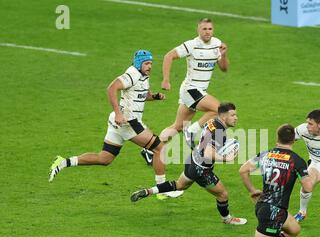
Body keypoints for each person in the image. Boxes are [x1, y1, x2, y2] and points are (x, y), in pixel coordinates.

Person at [48, 49, 183, 198]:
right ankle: (162, 190)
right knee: (159, 148)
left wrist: (155, 96)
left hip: (119, 121)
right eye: (146, 63)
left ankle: (63, 162)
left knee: (105, 158)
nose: (150, 66)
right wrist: (119, 113)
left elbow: (142, 95)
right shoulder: (132, 74)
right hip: (127, 121)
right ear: (139, 63)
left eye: (151, 63)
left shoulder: (143, 76)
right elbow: (112, 88)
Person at [207, 124, 312, 237]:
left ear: (277, 138)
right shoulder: (297, 161)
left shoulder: (266, 154)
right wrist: (308, 171)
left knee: (294, 229)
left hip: (264, 205)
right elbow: (308, 187)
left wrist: (252, 191)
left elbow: (243, 170)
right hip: (274, 213)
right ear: (293, 140)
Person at [131, 102, 247, 225]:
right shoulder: (219, 132)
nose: (236, 118)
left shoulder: (212, 122)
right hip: (202, 171)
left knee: (180, 185)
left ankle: (149, 191)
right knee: (223, 194)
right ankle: (227, 219)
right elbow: (208, 154)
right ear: (223, 117)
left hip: (192, 160)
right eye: (233, 115)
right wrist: (226, 158)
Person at [140, 17, 228, 166]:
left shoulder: (217, 44)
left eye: (210, 29)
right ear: (198, 30)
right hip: (191, 89)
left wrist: (224, 54)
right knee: (219, 109)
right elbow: (169, 56)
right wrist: (166, 79)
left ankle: (149, 150)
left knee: (178, 126)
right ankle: (192, 131)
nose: (207, 32)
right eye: (204, 29)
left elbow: (224, 68)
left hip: (199, 90)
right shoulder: (192, 45)